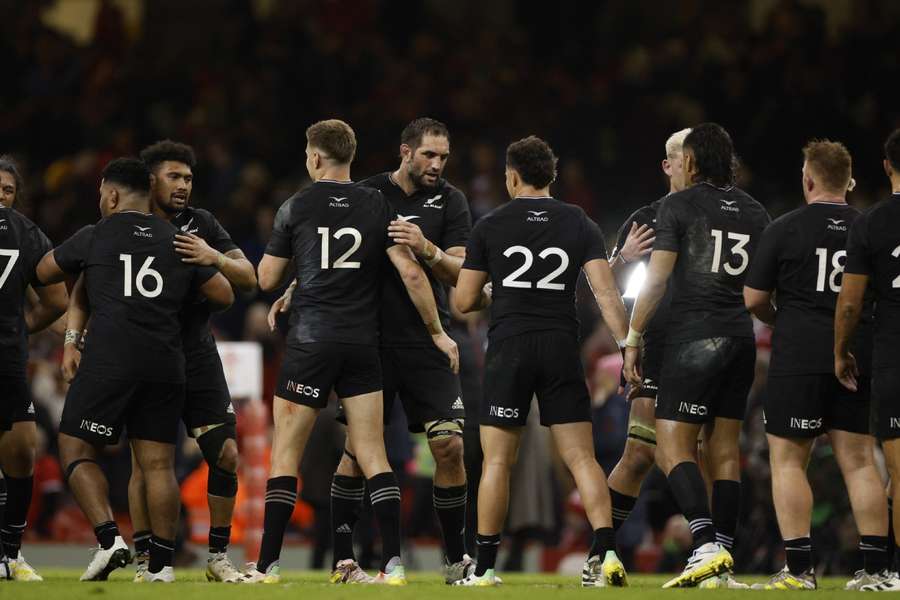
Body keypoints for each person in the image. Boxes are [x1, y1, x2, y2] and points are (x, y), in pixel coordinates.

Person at [245, 119, 460, 585]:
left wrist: (291, 285)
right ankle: (393, 564)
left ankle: (267, 567)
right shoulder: (376, 204)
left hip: (311, 341)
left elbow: (264, 278)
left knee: (286, 455)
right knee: (373, 454)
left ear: (315, 157)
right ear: (352, 156)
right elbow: (412, 274)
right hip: (364, 344)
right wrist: (438, 331)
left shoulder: (296, 206)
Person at [36, 158, 234, 582]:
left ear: (110, 194)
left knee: (73, 445)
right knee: (158, 465)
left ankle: (110, 540)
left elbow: (43, 270)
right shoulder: (178, 238)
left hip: (111, 358)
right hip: (166, 361)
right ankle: (161, 567)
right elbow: (224, 293)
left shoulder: (95, 234)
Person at [454, 135, 630, 587]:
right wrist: (629, 344)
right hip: (559, 347)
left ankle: (486, 567)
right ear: (551, 176)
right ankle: (608, 554)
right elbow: (605, 292)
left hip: (510, 346)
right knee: (582, 458)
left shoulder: (489, 225)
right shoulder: (580, 223)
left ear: (511, 177)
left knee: (497, 462)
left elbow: (464, 300)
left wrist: (496, 293)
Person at [622, 123, 770, 588]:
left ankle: (704, 544)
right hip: (741, 339)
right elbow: (760, 289)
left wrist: (632, 337)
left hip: (693, 339)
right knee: (725, 452)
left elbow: (658, 280)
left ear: (690, 161)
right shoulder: (755, 211)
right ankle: (723, 559)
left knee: (671, 446)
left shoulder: (678, 205)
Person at [744, 140, 890, 590]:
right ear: (849, 181)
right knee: (861, 462)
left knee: (789, 461)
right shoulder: (871, 227)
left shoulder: (784, 228)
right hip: (857, 355)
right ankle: (877, 570)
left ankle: (799, 570)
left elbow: (753, 299)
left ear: (807, 179)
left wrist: (784, 319)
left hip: (799, 355)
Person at [130, 140, 256, 582]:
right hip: (144, 355)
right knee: (147, 464)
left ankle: (218, 557)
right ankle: (145, 556)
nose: (183, 186)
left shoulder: (200, 223)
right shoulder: (128, 224)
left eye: (188, 178)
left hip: (198, 355)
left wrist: (213, 256)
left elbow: (249, 277)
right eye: (174, 177)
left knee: (225, 452)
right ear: (150, 180)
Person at [605, 129, 688, 536]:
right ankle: (599, 553)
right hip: (653, 348)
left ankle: (712, 553)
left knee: (701, 456)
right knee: (639, 453)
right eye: (681, 159)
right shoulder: (644, 220)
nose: (688, 167)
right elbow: (599, 287)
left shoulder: (715, 215)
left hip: (703, 348)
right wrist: (623, 257)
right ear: (667, 165)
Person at [836, 127, 900, 592]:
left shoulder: (872, 223)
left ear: (886, 166)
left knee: (899, 470)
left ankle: (889, 571)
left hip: (893, 353)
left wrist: (841, 349)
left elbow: (852, 302)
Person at [0, 157, 68, 580]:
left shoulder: (27, 235)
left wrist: (20, 328)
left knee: (23, 452)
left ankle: (11, 553)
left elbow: (57, 300)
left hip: (7, 360)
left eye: (7, 190)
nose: (0, 196)